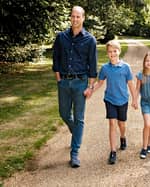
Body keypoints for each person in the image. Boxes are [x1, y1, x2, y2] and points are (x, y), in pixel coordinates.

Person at [52, 6, 98, 168]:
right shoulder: (61, 37)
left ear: (83, 18)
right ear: (70, 18)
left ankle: (74, 153)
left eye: (78, 17)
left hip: (80, 83)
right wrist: (58, 79)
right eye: (73, 16)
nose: (75, 19)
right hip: (64, 82)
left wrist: (90, 87)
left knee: (79, 118)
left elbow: (92, 65)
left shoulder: (90, 40)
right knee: (64, 113)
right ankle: (76, 132)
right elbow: (56, 59)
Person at [93, 40, 137, 165]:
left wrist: (134, 99)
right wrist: (90, 91)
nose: (112, 54)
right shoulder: (105, 68)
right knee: (112, 123)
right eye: (110, 52)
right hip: (110, 99)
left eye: (114, 51)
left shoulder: (126, 67)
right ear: (107, 53)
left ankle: (123, 137)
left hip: (123, 100)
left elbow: (131, 84)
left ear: (119, 51)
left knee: (121, 124)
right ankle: (113, 151)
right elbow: (100, 83)